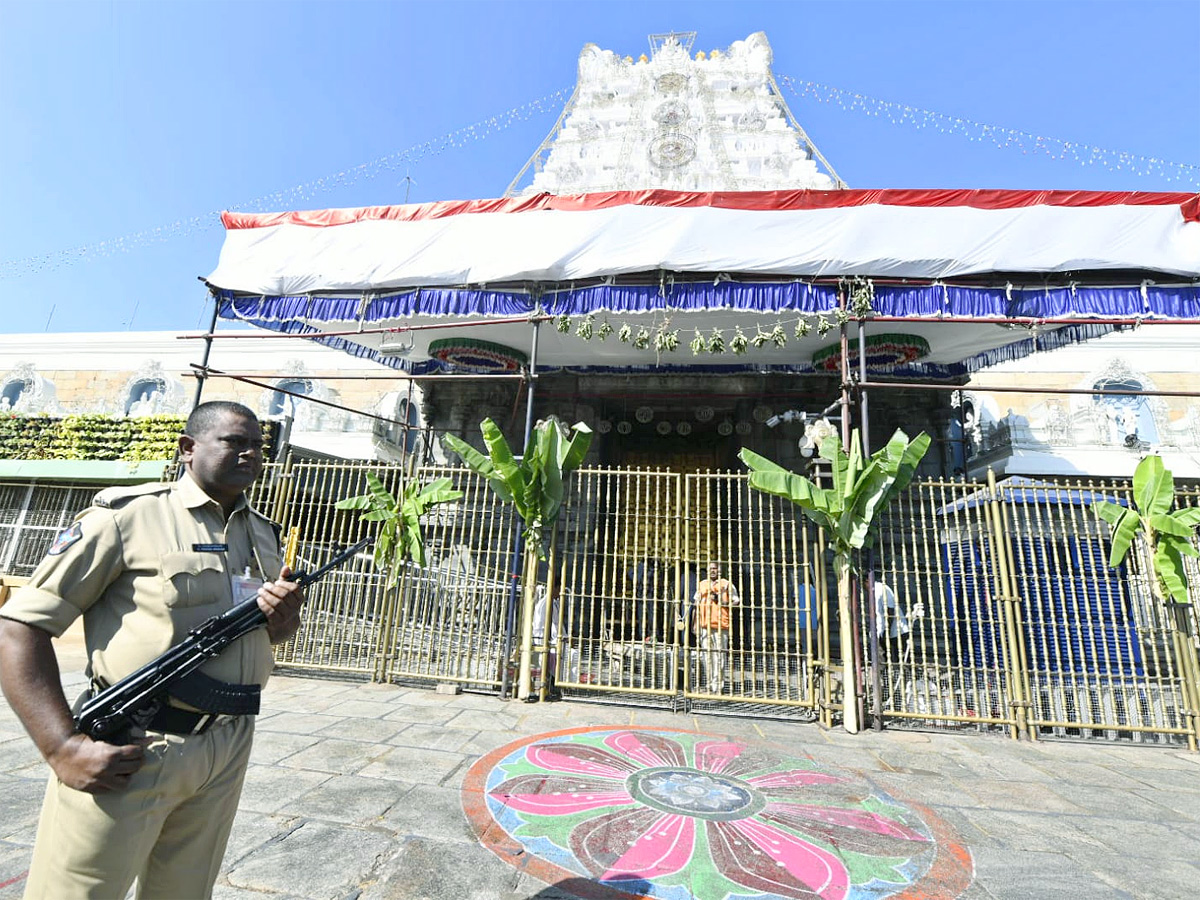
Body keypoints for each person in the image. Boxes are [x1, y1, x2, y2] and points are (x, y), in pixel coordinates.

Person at [0, 401, 305, 899]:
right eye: (234, 441)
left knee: (184, 892)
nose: (251, 453)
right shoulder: (128, 518)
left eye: (258, 445)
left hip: (225, 747)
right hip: (134, 745)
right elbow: (18, 628)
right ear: (188, 448)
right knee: (77, 891)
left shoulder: (263, 534)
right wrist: (61, 747)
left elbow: (261, 634)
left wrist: (282, 623)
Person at [691, 562, 740, 693]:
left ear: (719, 570)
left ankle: (718, 685)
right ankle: (709, 683)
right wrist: (695, 623)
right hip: (704, 625)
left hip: (721, 625)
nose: (713, 571)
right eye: (710, 569)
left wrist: (721, 601)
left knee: (719, 656)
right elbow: (696, 604)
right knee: (706, 656)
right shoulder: (702, 584)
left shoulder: (726, 584)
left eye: (715, 569)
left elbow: (736, 602)